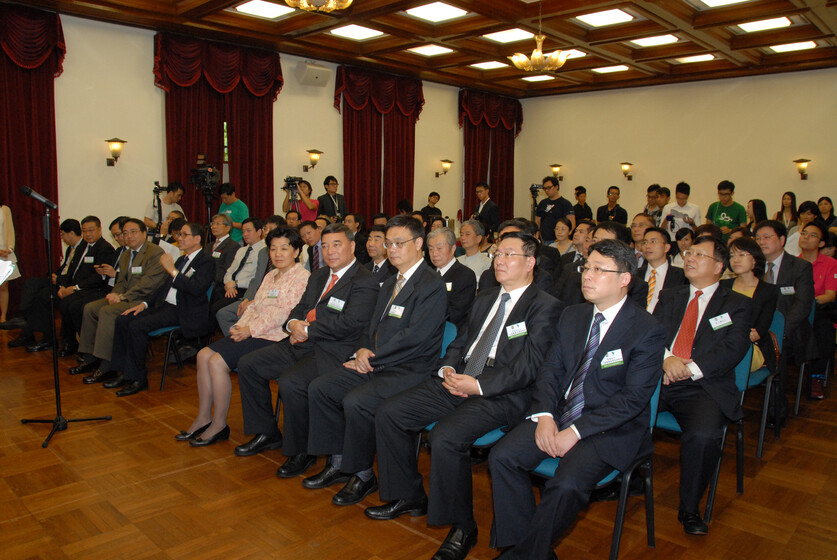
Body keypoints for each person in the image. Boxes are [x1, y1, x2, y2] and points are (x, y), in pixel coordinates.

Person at [367, 232, 563, 560]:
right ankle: (409, 495)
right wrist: (447, 367)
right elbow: (462, 341)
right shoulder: (485, 297)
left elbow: (528, 367)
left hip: (502, 392)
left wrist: (479, 386)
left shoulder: (546, 306)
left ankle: (462, 526)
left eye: (509, 254)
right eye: (497, 254)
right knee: (391, 412)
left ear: (530, 262)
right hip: (460, 377)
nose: (499, 260)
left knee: (445, 437)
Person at [489, 239, 666, 560]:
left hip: (610, 427)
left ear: (625, 279)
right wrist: (545, 416)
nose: (587, 275)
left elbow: (633, 399)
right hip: (559, 412)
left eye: (599, 269)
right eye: (587, 267)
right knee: (503, 457)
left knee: (566, 484)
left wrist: (575, 431)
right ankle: (529, 549)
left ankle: (524, 554)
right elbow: (550, 371)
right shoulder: (573, 315)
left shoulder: (646, 329)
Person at [302, 215, 446, 507]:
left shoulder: (431, 285)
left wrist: (372, 358)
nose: (391, 249)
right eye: (388, 243)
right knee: (322, 387)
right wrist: (362, 350)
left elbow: (414, 337)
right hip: (376, 361)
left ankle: (363, 474)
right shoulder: (390, 281)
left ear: (419, 243)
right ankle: (339, 462)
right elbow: (370, 327)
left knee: (357, 401)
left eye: (399, 243)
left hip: (409, 368)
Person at [233, 224, 379, 470]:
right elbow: (300, 307)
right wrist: (292, 325)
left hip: (334, 349)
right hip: (301, 341)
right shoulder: (320, 275)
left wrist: (307, 330)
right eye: (325, 246)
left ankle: (302, 450)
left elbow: (351, 323)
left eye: (337, 244)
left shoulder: (365, 280)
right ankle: (266, 432)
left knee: (292, 381)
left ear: (352, 246)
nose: (330, 251)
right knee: (249, 365)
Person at [654, 235, 753, 535]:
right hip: (661, 377)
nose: (690, 258)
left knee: (704, 436)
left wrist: (688, 370)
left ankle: (689, 508)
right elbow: (652, 335)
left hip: (703, 385)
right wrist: (667, 360)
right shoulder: (670, 295)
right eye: (689, 253)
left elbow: (733, 348)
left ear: (719, 266)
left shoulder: (737, 304)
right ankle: (620, 478)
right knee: (617, 409)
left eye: (699, 254)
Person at [176, 227, 310, 446]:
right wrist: (240, 326)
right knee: (202, 355)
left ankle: (219, 424)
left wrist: (250, 330)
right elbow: (254, 305)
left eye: (284, 248)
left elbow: (284, 313)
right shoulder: (271, 275)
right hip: (253, 331)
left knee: (217, 362)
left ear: (296, 251)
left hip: (275, 336)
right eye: (273, 249)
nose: (277, 254)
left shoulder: (302, 278)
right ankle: (203, 417)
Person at [99, 222, 216, 394]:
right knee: (123, 319)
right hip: (165, 306)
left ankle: (138, 379)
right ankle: (122, 372)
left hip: (183, 310)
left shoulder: (206, 261)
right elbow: (162, 288)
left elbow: (196, 288)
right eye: (179, 235)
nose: (179, 238)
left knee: (137, 326)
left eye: (184, 235)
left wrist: (173, 271)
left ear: (197, 239)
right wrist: (144, 304)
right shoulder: (182, 260)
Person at [70, 219, 167, 377]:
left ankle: (107, 363)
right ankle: (90, 356)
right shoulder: (126, 254)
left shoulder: (155, 252)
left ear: (144, 233)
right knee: (90, 308)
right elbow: (121, 281)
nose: (129, 236)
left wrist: (122, 297)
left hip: (142, 300)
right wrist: (115, 294)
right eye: (125, 233)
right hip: (125, 297)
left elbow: (148, 284)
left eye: (133, 232)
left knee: (107, 311)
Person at [9, 219, 93, 350]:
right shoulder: (71, 249)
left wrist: (59, 279)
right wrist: (54, 274)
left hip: (68, 285)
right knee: (31, 284)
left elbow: (76, 275)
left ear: (71, 233)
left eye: (62, 234)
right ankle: (23, 322)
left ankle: (47, 338)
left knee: (42, 296)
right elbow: (65, 268)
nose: (62, 238)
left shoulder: (84, 248)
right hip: (61, 281)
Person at [723, 237, 779, 374]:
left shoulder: (768, 291)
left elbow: (759, 330)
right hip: (722, 342)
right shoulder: (722, 286)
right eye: (732, 256)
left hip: (751, 345)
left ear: (754, 260)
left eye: (742, 255)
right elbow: (715, 320)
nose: (735, 260)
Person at [797, 221, 837, 398]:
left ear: (821, 243)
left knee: (823, 326)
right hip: (796, 310)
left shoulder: (830, 263)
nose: (806, 237)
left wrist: (807, 302)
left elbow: (830, 295)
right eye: (804, 233)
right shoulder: (793, 262)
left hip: (818, 308)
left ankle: (816, 377)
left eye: (812, 235)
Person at [210, 217, 264, 319]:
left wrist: (236, 283)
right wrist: (229, 284)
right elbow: (229, 271)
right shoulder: (241, 250)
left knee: (217, 308)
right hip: (231, 288)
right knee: (210, 300)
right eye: (243, 231)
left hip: (246, 289)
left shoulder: (264, 251)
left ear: (259, 232)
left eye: (248, 231)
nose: (245, 234)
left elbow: (258, 278)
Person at [426, 227, 477, 330]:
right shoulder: (427, 275)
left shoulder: (465, 275)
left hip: (450, 331)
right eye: (431, 249)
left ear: (453, 248)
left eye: (439, 248)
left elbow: (455, 313)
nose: (434, 253)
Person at [638, 226, 686, 313]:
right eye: (645, 242)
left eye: (653, 242)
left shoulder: (681, 275)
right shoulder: (635, 275)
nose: (647, 246)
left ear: (666, 247)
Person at [535, 177, 575, 243]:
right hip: (543, 239)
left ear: (556, 187)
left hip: (558, 240)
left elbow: (572, 224)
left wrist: (561, 238)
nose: (547, 190)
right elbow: (537, 221)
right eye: (545, 188)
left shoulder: (565, 204)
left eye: (549, 188)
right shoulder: (542, 203)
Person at [0, 202, 19, 327]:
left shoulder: (5, 209)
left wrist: (10, 248)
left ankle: (3, 317)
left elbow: (10, 230)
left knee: (3, 285)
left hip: (4, 252)